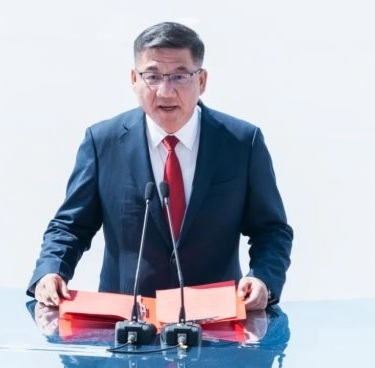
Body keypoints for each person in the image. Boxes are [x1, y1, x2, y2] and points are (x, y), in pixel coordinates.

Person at [27, 21, 293, 312]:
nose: (166, 91)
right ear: (134, 79)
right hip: (125, 320)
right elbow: (71, 226)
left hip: (217, 319)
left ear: (202, 80)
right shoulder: (102, 142)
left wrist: (263, 279)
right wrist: (51, 271)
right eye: (152, 76)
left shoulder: (241, 142)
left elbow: (271, 230)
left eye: (180, 76)